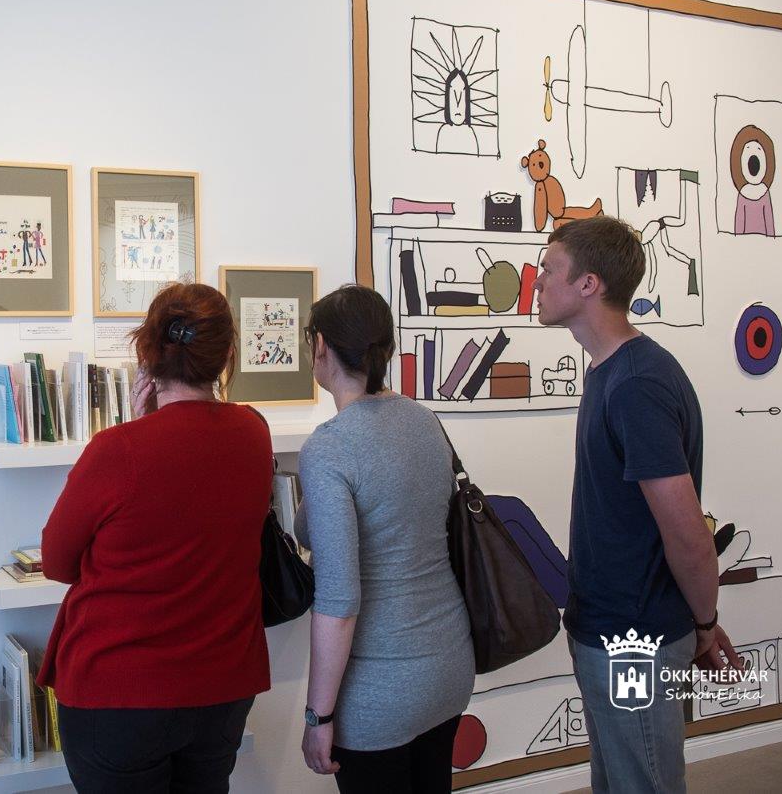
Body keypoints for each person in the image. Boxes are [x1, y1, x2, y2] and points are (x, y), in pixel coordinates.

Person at [37, 282, 272, 794]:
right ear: (226, 355)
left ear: (147, 355)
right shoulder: (254, 433)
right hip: (222, 689)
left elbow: (56, 562)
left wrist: (140, 426)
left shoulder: (117, 449)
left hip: (119, 694)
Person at [534, 216, 743, 792]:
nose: (538, 280)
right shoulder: (608, 372)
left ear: (588, 284)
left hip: (635, 644)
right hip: (607, 630)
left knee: (643, 783)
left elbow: (688, 534)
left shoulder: (636, 385)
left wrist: (705, 624)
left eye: (549, 268)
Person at [295, 284, 474, 793]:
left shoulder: (329, 449)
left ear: (321, 345)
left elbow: (339, 602)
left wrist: (317, 717)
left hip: (379, 689)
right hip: (449, 665)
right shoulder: (425, 422)